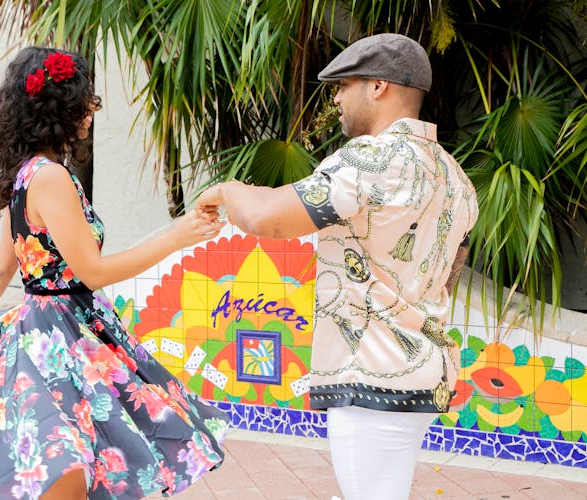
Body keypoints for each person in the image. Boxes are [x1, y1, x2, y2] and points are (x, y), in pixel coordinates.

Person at [0, 46, 229, 500]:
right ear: (61, 106)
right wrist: (178, 236)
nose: (92, 108)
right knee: (67, 461)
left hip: (44, 329)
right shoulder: (51, 178)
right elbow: (91, 271)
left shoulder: (27, 176)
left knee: (53, 461)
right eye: (86, 98)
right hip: (61, 336)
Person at [196, 33, 478, 500]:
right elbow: (449, 270)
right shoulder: (454, 176)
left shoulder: (370, 159)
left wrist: (226, 190)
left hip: (371, 376)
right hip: (424, 371)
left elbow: (268, 220)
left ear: (378, 87)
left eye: (343, 85)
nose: (335, 98)